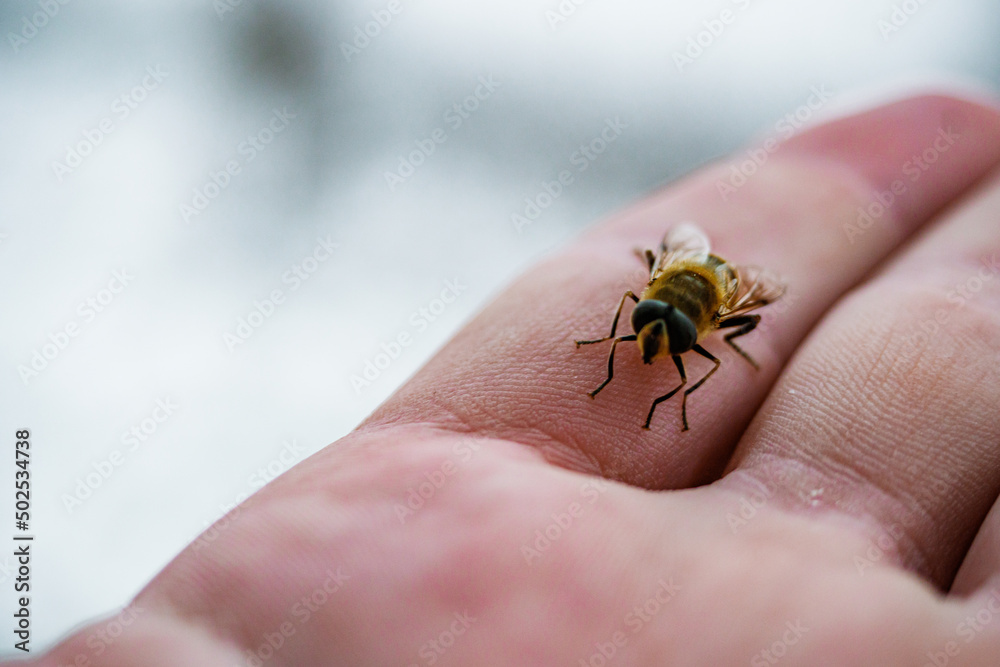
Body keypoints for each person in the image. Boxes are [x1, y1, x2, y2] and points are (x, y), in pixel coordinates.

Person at [16, 94, 1000, 666]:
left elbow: (704, 315)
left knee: (698, 357)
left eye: (664, 328)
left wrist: (680, 362)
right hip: (691, 273)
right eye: (653, 322)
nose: (654, 337)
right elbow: (653, 291)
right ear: (658, 298)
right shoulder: (655, 299)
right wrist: (619, 341)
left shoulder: (708, 312)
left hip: (716, 284)